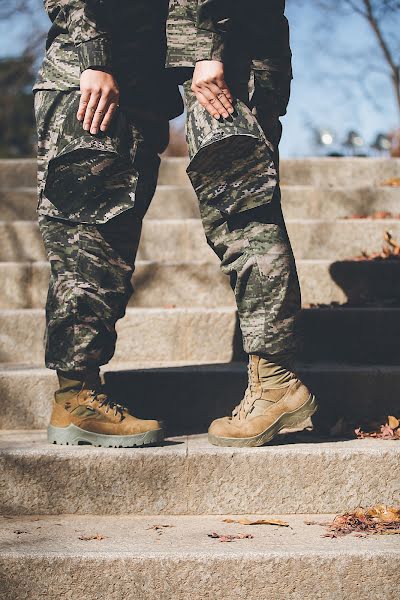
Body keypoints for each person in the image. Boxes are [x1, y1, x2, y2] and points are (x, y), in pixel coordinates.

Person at [165, 0, 318, 446]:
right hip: (228, 53)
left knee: (245, 222)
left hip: (227, 59)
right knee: (239, 217)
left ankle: (276, 385)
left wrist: (209, 51)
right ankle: (272, 380)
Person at [34, 0, 184, 447]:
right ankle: (76, 397)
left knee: (109, 259)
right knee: (87, 248)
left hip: (133, 101)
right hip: (93, 88)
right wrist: (93, 59)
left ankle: (81, 392)